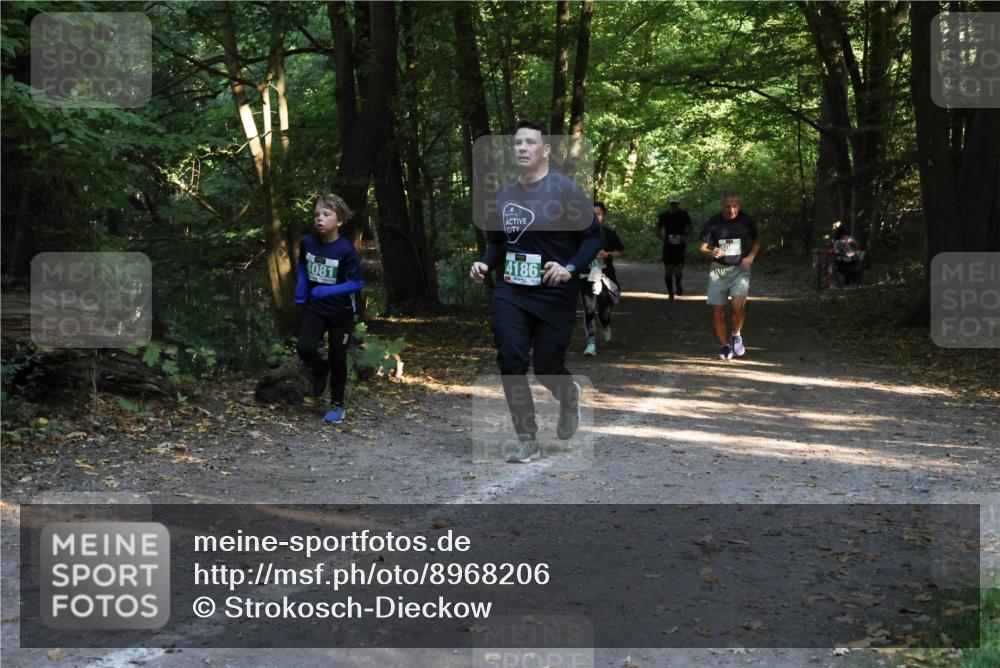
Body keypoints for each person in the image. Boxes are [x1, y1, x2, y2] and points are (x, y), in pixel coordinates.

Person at [469, 119, 604, 463]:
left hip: (554, 293)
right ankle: (527, 437)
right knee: (511, 359)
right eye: (517, 144)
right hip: (511, 291)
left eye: (530, 143)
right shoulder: (504, 194)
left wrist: (570, 268)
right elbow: (497, 244)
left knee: (546, 367)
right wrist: (485, 264)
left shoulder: (564, 190)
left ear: (545, 150)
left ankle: (568, 396)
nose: (523, 149)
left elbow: (594, 236)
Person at [295, 194, 365, 424]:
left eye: (326, 214)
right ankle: (319, 369)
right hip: (315, 308)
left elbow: (357, 283)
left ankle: (337, 404)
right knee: (305, 347)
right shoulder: (308, 242)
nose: (319, 219)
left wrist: (327, 291)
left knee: (338, 355)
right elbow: (303, 267)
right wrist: (301, 289)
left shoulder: (345, 250)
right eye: (316, 215)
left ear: (340, 221)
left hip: (341, 312)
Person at [698, 189, 760, 360]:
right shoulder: (713, 223)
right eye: (727, 206)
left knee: (737, 305)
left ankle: (736, 334)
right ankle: (725, 346)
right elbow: (702, 248)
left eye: (735, 206)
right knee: (718, 311)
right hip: (718, 270)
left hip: (740, 269)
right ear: (722, 205)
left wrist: (750, 257)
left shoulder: (747, 221)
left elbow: (757, 243)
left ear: (739, 205)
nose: (731, 210)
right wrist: (711, 253)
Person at [580, 201, 624, 357]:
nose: (594, 217)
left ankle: (606, 324)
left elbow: (620, 251)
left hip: (606, 276)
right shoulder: (580, 234)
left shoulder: (609, 233)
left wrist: (608, 254)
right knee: (589, 309)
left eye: (598, 214)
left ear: (603, 216)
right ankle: (591, 343)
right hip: (586, 276)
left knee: (604, 310)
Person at [655, 195, 693, 300]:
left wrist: (685, 236)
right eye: (672, 204)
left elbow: (690, 227)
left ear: (678, 204)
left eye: (675, 204)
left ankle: (678, 281)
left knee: (678, 270)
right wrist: (661, 236)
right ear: (669, 204)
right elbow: (657, 226)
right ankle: (670, 292)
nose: (673, 206)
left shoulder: (684, 215)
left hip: (680, 245)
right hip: (668, 245)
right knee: (668, 271)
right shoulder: (664, 215)